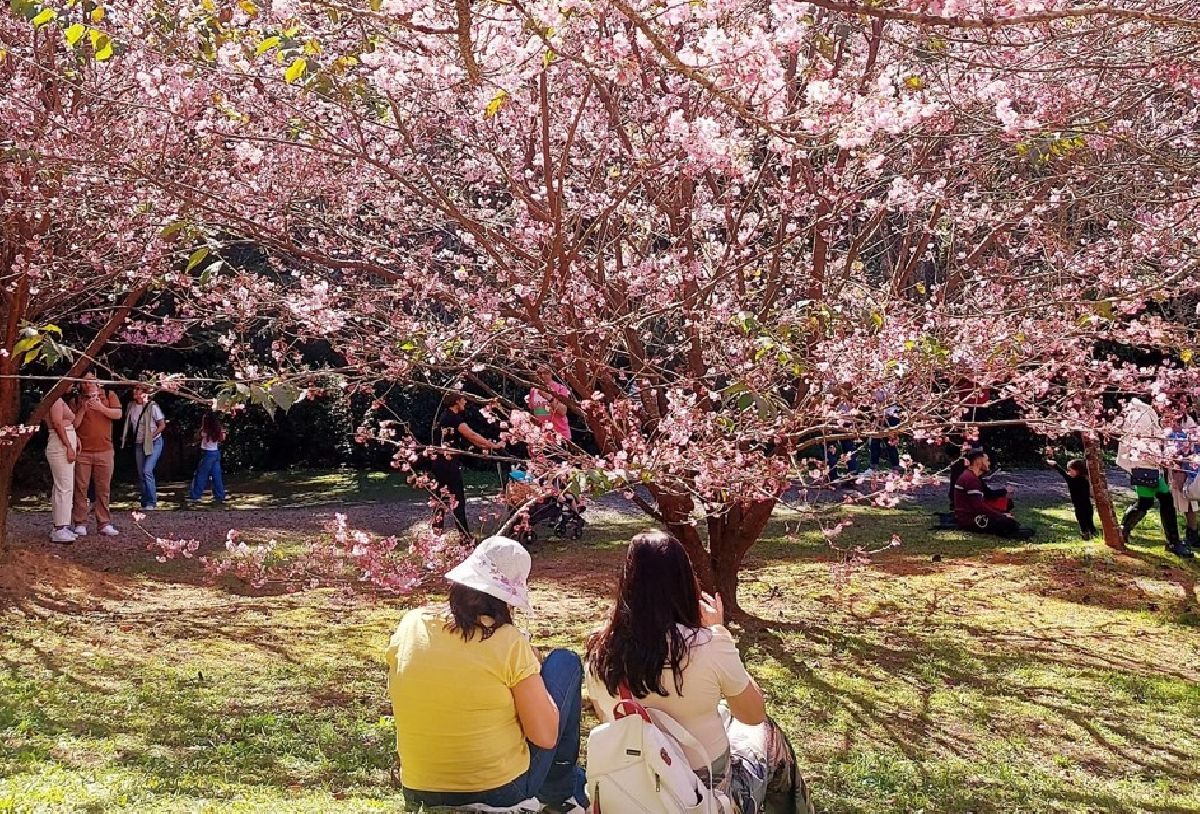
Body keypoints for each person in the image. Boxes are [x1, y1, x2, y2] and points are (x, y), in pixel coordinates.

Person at [586, 531, 809, 813]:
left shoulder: (599, 649)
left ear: (627, 582)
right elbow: (752, 715)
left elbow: (605, 713)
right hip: (701, 792)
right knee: (770, 736)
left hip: (630, 786)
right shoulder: (707, 644)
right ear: (684, 581)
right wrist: (720, 632)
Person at [386, 536, 587, 811]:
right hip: (498, 792)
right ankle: (561, 795)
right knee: (566, 661)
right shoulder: (507, 642)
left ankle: (565, 790)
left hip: (419, 789)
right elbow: (545, 736)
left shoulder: (411, 625)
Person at [1116, 399, 1190, 558]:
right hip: (1143, 465)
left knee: (1157, 500)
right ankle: (1124, 530)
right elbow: (1142, 444)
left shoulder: (1147, 412)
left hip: (1149, 465)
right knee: (1153, 500)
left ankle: (1125, 530)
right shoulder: (1141, 414)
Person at [430, 394, 503, 538]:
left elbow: (465, 440)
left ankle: (436, 533)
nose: (465, 402)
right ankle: (464, 537)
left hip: (440, 462)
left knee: (441, 497)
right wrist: (494, 445)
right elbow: (472, 436)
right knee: (457, 499)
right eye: (463, 399)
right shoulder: (453, 418)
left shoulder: (445, 417)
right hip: (447, 463)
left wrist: (483, 448)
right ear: (456, 402)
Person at [71, 371, 122, 537]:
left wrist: (101, 407)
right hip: (83, 452)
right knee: (80, 488)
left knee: (103, 488)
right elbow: (73, 425)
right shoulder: (76, 400)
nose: (87, 385)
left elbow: (118, 414)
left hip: (105, 450)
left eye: (91, 382)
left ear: (98, 382)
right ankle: (80, 522)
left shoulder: (109, 395)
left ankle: (104, 523)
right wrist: (83, 410)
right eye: (84, 382)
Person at [952, 449, 1034, 539]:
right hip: (969, 520)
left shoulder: (971, 476)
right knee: (1010, 524)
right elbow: (979, 507)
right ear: (978, 461)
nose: (989, 464)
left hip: (969, 516)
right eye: (987, 460)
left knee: (1011, 521)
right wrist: (1001, 515)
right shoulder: (971, 479)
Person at [44, 390, 80, 544]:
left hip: (65, 441)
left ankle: (62, 525)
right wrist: (68, 446)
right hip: (60, 446)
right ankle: (60, 527)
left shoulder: (58, 400)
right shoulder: (55, 400)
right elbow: (58, 424)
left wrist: (75, 439)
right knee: (63, 486)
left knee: (64, 486)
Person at [123, 384, 166, 510]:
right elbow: (129, 424)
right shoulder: (131, 406)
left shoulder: (152, 406)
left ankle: (152, 502)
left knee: (147, 470)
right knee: (141, 474)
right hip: (139, 443)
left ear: (145, 392)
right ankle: (145, 501)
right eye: (134, 388)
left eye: (138, 389)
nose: (134, 391)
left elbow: (162, 425)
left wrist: (152, 435)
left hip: (154, 442)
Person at [1166, 414, 1199, 550]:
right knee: (1183, 501)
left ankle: (1192, 533)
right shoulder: (1171, 424)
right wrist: (1177, 470)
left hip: (1191, 467)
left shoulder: (1189, 419)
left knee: (1191, 502)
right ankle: (1183, 535)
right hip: (1181, 467)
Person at [1046, 457, 1097, 540]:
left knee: (1083, 521)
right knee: (1088, 521)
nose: (1068, 472)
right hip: (1087, 505)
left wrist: (1055, 465)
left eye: (1070, 470)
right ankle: (1092, 535)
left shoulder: (1074, 481)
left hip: (1081, 505)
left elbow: (1063, 474)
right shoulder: (1085, 479)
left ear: (1077, 470)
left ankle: (1086, 535)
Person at [189, 411, 228, 503]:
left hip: (208, 454)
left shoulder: (205, 431)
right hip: (215, 452)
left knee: (201, 475)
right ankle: (219, 495)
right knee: (216, 475)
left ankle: (196, 495)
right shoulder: (217, 430)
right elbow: (223, 438)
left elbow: (197, 436)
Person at [528, 370, 571, 443]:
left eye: (546, 373)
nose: (542, 376)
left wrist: (549, 397)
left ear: (551, 373)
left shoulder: (560, 389)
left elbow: (563, 411)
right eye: (539, 373)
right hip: (542, 437)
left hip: (560, 436)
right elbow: (534, 411)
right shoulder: (533, 390)